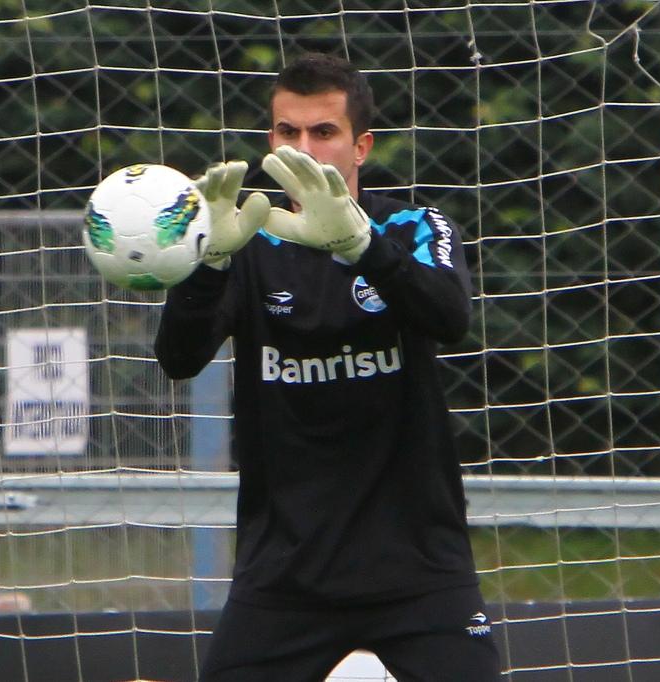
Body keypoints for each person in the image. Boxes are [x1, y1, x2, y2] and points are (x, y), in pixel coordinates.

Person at [154, 53, 500, 681]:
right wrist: (209, 266)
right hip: (285, 573)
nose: (305, 148)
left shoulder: (412, 224)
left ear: (361, 145)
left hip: (418, 570)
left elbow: (449, 316)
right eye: (288, 133)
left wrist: (361, 246)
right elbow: (178, 358)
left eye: (324, 132)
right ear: (270, 141)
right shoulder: (248, 236)